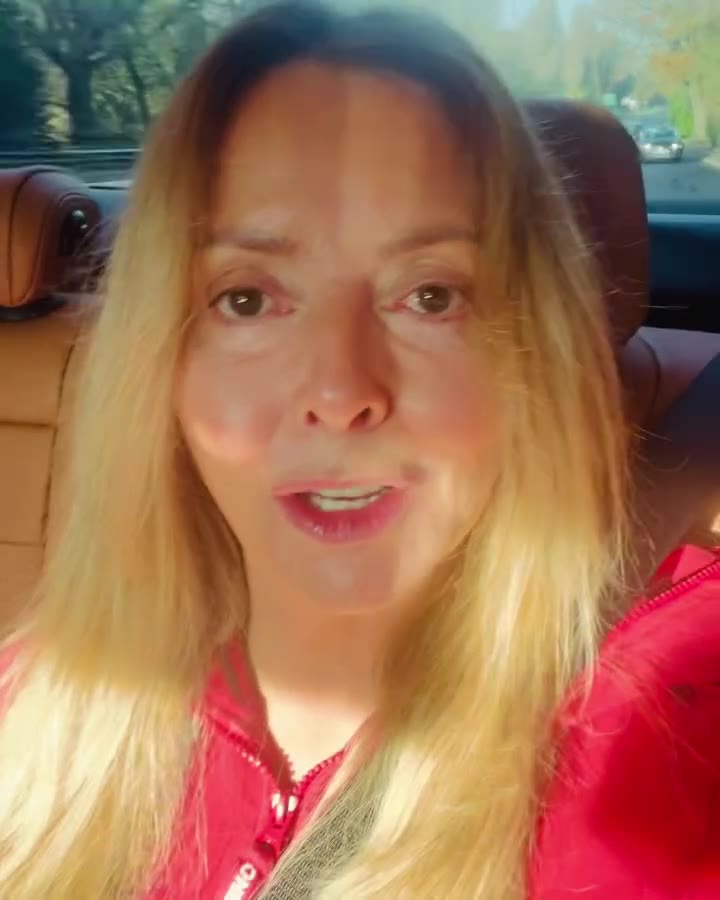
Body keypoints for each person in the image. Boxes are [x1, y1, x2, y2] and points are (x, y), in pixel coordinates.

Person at [1, 3, 719, 898]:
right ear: (163, 364)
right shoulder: (39, 704)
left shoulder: (662, 730)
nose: (342, 393)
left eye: (431, 296)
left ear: (531, 349)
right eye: (248, 299)